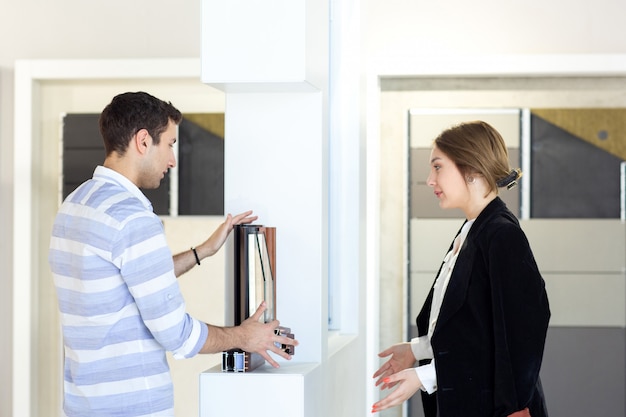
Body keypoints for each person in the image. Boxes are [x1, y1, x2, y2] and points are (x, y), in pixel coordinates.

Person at [49, 91, 297, 417]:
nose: (172, 160)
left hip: (83, 405)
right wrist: (246, 337)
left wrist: (202, 251)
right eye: (170, 144)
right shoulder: (133, 217)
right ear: (142, 141)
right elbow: (177, 335)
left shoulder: (76, 205)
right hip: (132, 409)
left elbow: (129, 280)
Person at [372, 121, 550, 417]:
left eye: (438, 167)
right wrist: (416, 351)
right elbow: (471, 331)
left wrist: (424, 376)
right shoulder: (472, 231)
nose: (430, 180)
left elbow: (520, 337)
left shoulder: (502, 235)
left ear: (473, 169)